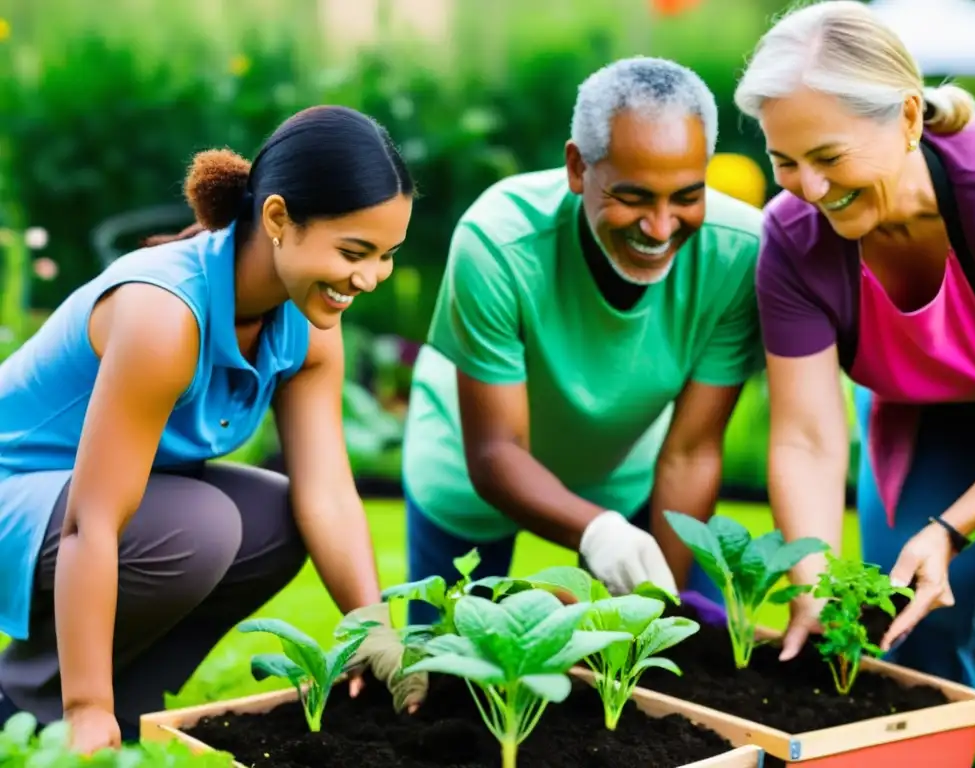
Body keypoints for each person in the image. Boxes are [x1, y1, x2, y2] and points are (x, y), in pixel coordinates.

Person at [0, 105, 419, 753]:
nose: (368, 279)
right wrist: (85, 708)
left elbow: (328, 495)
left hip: (94, 509)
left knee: (277, 522)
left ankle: (132, 702)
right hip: (20, 493)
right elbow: (93, 522)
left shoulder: (306, 328)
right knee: (203, 528)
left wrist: (374, 631)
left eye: (387, 256)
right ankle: (35, 699)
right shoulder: (163, 317)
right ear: (278, 219)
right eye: (353, 252)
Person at [733, 1, 975, 761]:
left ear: (904, 118)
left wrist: (952, 528)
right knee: (909, 619)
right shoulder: (793, 241)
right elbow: (804, 436)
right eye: (783, 160)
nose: (808, 185)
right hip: (937, 412)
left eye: (828, 155)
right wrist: (811, 575)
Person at [399, 56, 765, 626]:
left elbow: (692, 452)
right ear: (577, 167)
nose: (662, 227)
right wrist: (595, 531)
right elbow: (497, 452)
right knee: (450, 670)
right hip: (471, 471)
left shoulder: (736, 252)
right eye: (635, 197)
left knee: (690, 648)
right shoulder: (498, 242)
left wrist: (653, 620)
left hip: (626, 470)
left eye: (686, 196)